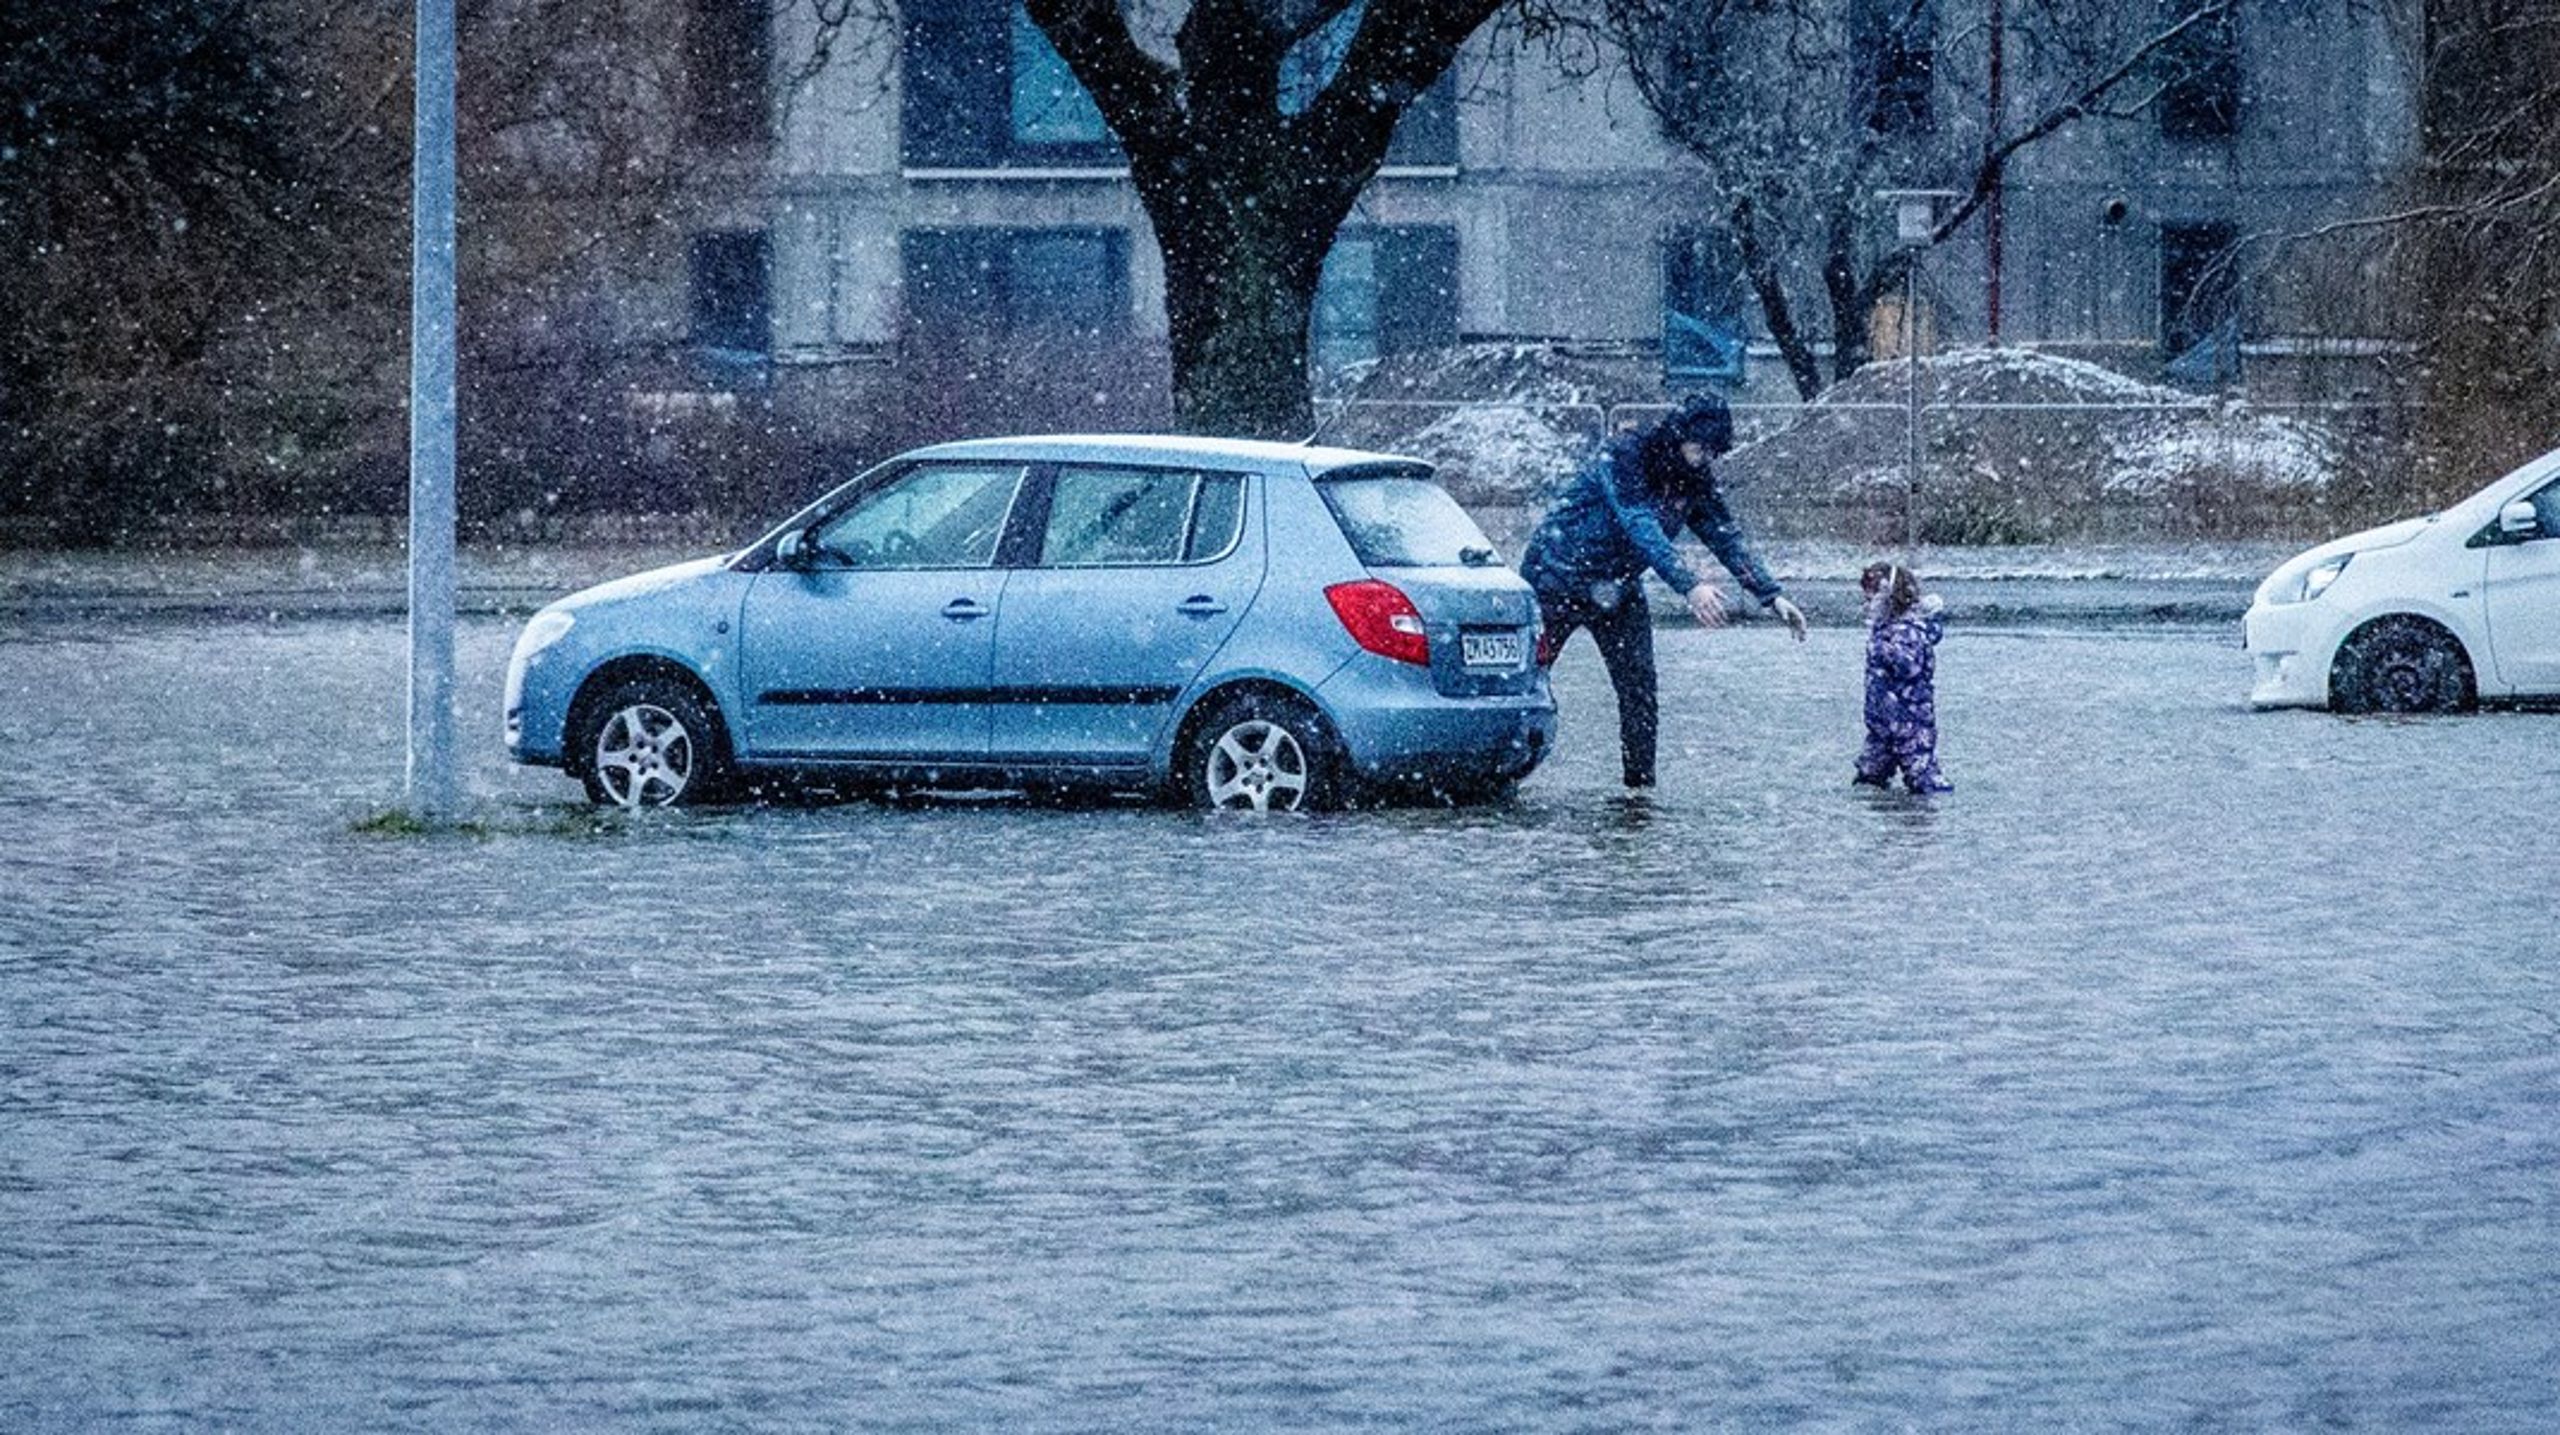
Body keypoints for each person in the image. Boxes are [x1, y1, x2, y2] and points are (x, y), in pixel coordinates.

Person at [1520, 393, 1807, 789]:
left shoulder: (1694, 481)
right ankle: (1500, 772)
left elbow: (1726, 538)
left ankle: (1640, 789)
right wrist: (1689, 586)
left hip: (1617, 588)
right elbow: (1640, 525)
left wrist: (1771, 595)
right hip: (1557, 578)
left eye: (1713, 451)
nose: (1705, 458)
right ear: (1681, 435)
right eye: (1701, 447)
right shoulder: (1624, 455)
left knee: (1639, 690)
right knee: (1526, 682)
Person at [1854, 560, 1952, 794]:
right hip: (1881, 724)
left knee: (1923, 777)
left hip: (1912, 724)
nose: (1867, 604)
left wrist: (1883, 650)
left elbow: (1910, 666)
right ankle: (1878, 815)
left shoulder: (1909, 631)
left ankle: (1924, 817)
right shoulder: (1883, 630)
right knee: (1869, 777)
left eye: (1871, 598)